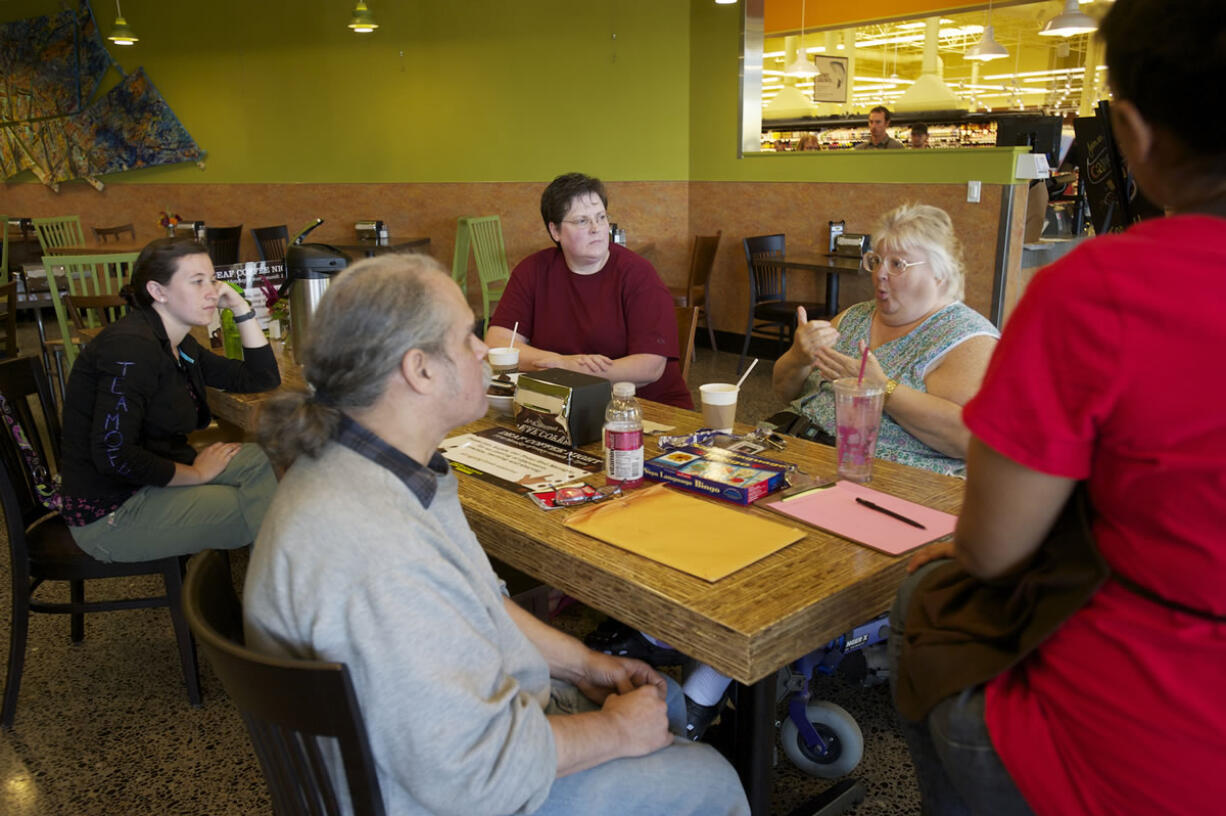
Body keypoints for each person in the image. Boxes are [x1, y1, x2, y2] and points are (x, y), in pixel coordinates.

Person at [245, 254, 749, 816]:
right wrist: (614, 735)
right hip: (432, 793)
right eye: (466, 337)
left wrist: (585, 662)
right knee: (709, 777)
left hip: (447, 741)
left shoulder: (378, 464)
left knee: (667, 700)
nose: (485, 349)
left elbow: (482, 603)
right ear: (420, 370)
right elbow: (472, 772)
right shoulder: (374, 549)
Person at [889, 1, 1226, 813]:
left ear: (1133, 132)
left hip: (1132, 737)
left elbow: (994, 550)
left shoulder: (1097, 289)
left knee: (924, 608)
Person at [59, 237, 279, 562]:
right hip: (113, 513)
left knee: (266, 460)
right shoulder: (131, 349)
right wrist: (197, 476)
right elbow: (113, 454)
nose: (212, 291)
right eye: (197, 281)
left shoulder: (178, 343)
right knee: (268, 508)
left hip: (151, 481)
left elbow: (261, 378)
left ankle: (276, 574)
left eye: (212, 279)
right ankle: (285, 593)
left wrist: (241, 308)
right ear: (158, 292)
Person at [772, 203, 999, 477]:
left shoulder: (966, 338)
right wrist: (798, 356)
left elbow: (969, 440)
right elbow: (785, 391)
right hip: (791, 445)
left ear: (939, 273)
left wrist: (884, 389)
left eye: (897, 264)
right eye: (876, 260)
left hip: (879, 479)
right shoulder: (854, 317)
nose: (879, 273)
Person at [485, 172, 693, 408]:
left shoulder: (638, 273)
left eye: (601, 217)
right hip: (565, 407)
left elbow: (650, 367)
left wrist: (565, 369)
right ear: (555, 231)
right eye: (582, 221)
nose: (596, 228)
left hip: (645, 410)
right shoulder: (532, 271)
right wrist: (563, 363)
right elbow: (497, 344)